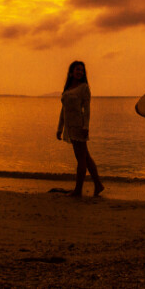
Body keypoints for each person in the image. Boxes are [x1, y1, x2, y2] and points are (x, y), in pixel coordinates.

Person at [56, 61, 105, 197]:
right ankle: (98, 185)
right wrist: (60, 128)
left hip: (79, 126)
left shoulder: (84, 88)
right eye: (77, 70)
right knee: (86, 158)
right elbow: (63, 110)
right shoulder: (68, 89)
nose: (80, 72)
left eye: (82, 71)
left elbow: (87, 109)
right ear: (71, 72)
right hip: (70, 127)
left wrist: (86, 126)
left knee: (81, 160)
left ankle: (78, 190)